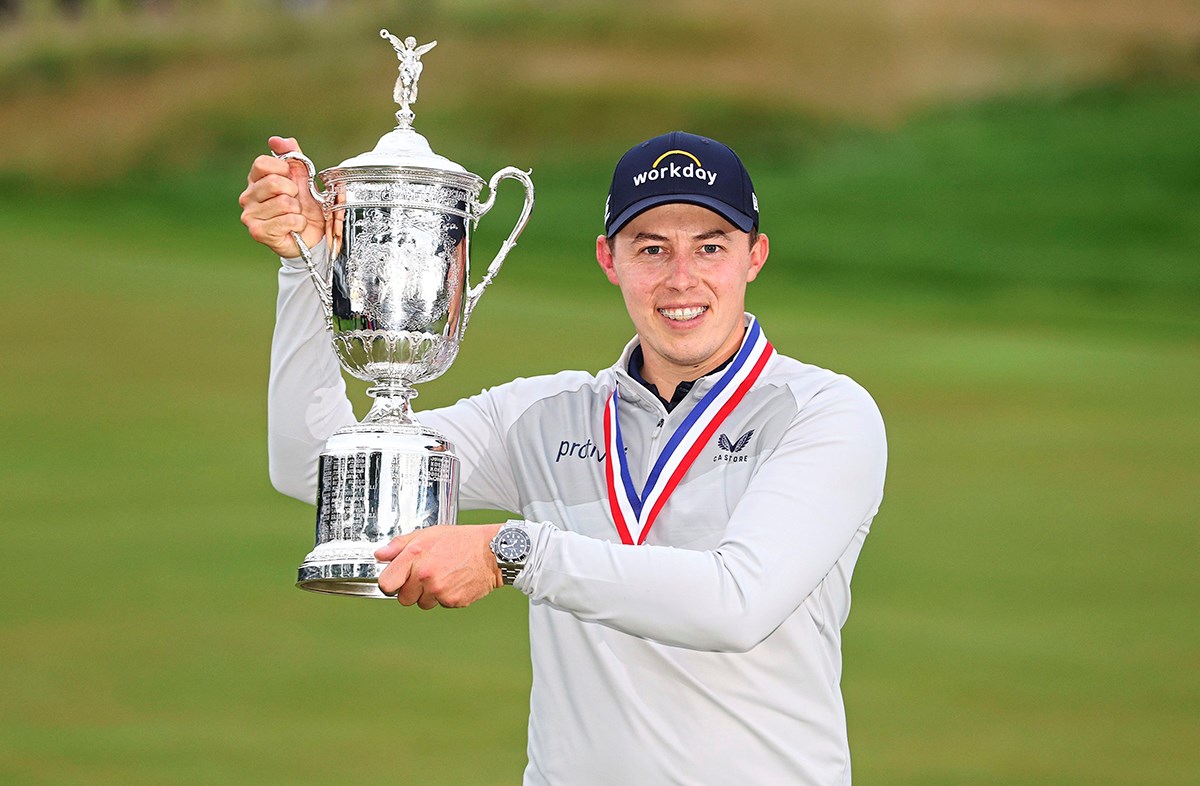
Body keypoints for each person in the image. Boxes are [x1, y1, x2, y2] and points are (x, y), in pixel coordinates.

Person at [239, 130, 887, 785]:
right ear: (609, 259)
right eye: (652, 249)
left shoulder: (823, 412)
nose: (681, 278)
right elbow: (314, 466)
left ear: (755, 256)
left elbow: (737, 601)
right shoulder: (542, 417)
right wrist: (308, 265)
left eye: (710, 247)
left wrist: (511, 553)